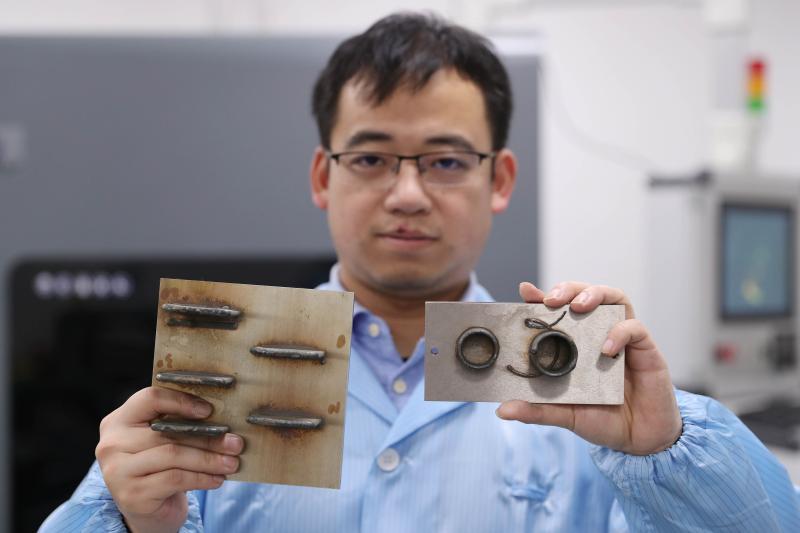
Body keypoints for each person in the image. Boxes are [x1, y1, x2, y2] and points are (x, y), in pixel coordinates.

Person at [41, 12, 800, 533]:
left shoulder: (584, 395)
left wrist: (667, 449)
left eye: (445, 161)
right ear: (323, 176)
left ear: (500, 179)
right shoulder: (217, 380)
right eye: (371, 157)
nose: (407, 194)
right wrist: (136, 521)